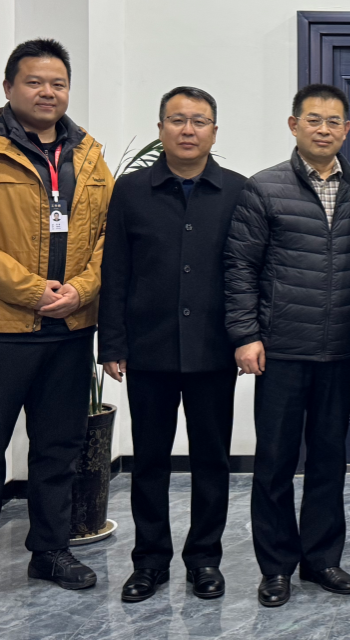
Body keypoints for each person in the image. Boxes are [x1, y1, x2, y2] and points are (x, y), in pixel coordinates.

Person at [0, 39, 112, 618]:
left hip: (70, 328)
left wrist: (81, 289)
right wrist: (34, 292)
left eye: (58, 83)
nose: (47, 92)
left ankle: (50, 551)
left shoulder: (89, 155)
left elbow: (112, 235)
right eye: (34, 82)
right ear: (8, 88)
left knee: (58, 449)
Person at [224, 84, 350, 608]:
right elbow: (240, 268)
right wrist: (245, 335)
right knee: (275, 463)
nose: (323, 130)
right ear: (294, 125)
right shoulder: (264, 188)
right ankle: (276, 567)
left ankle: (323, 559)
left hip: (342, 350)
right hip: (281, 349)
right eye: (313, 120)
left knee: (330, 461)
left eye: (334, 122)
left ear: (346, 130)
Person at [98, 87, 245, 604]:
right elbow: (115, 269)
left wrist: (246, 337)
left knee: (212, 461)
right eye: (177, 120)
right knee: (150, 462)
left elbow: (248, 272)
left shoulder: (238, 191)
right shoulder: (131, 190)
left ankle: (204, 559)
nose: (188, 130)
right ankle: (149, 562)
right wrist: (112, 342)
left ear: (214, 132)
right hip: (149, 349)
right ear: (160, 127)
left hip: (213, 350)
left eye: (199, 121)